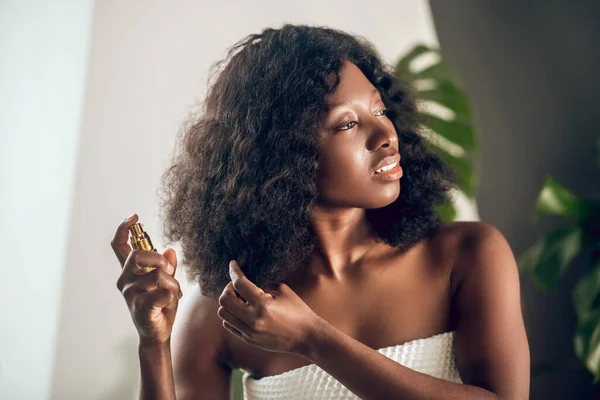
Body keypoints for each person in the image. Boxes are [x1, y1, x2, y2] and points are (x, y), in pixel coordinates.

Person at [111, 24, 530, 399]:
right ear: (283, 153)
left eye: (380, 109)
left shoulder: (466, 256)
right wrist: (154, 344)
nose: (386, 133)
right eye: (347, 124)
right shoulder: (234, 309)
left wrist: (314, 339)